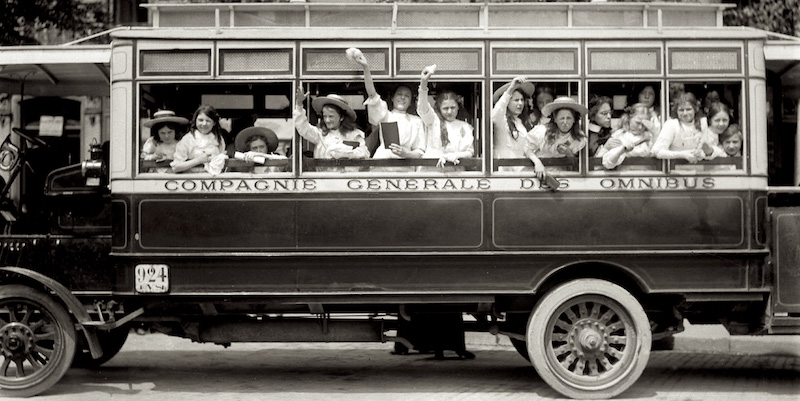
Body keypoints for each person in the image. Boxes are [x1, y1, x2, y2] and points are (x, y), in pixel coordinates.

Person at [349, 47, 425, 167]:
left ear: (411, 101)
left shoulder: (417, 121)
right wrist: (365, 67)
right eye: (399, 94)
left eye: (407, 96)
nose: (403, 97)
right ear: (393, 98)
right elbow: (372, 95)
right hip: (383, 164)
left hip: (406, 167)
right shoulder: (386, 115)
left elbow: (420, 152)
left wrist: (406, 153)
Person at [293, 87, 370, 171]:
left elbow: (365, 154)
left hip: (346, 181)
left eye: (331, 116)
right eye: (325, 116)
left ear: (342, 117)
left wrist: (344, 153)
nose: (327, 120)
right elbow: (303, 127)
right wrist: (299, 105)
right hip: (322, 181)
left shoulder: (354, 134)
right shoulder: (320, 134)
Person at [417, 65, 474, 169]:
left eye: (453, 107)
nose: (449, 111)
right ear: (439, 108)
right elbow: (423, 108)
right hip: (432, 170)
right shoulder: (433, 121)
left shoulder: (465, 126)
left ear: (458, 107)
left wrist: (455, 155)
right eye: (445, 108)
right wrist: (423, 83)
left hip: (455, 171)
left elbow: (469, 151)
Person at [524, 97, 587, 180]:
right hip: (537, 172)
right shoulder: (542, 132)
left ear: (574, 119)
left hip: (560, 175)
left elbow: (576, 163)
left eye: (568, 118)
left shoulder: (578, 138)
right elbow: (527, 149)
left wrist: (569, 154)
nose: (565, 122)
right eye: (561, 118)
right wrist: (537, 163)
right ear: (555, 119)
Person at [651, 92, 714, 164]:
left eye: (688, 109)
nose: (685, 113)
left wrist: (701, 153)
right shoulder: (671, 124)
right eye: (681, 110)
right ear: (676, 111)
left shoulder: (703, 123)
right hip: (675, 169)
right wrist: (683, 155)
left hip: (698, 170)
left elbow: (707, 149)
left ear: (696, 109)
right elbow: (657, 151)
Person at [595, 103, 657, 170]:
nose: (640, 127)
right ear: (629, 118)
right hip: (624, 176)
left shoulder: (651, 137)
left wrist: (655, 134)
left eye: (644, 124)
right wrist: (620, 150)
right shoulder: (619, 136)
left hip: (649, 175)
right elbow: (602, 165)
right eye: (637, 123)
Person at [171, 104, 227, 174]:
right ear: (195, 121)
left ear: (214, 123)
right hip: (190, 180)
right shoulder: (188, 140)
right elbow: (175, 167)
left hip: (213, 181)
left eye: (208, 121)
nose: (204, 124)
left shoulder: (218, 139)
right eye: (200, 120)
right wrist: (198, 160)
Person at [492, 76, 535, 167]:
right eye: (516, 100)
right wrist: (511, 89)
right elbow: (496, 113)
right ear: (507, 102)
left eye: (522, 100)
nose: (520, 103)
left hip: (519, 167)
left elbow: (526, 148)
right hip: (503, 166)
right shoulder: (501, 120)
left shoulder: (520, 122)